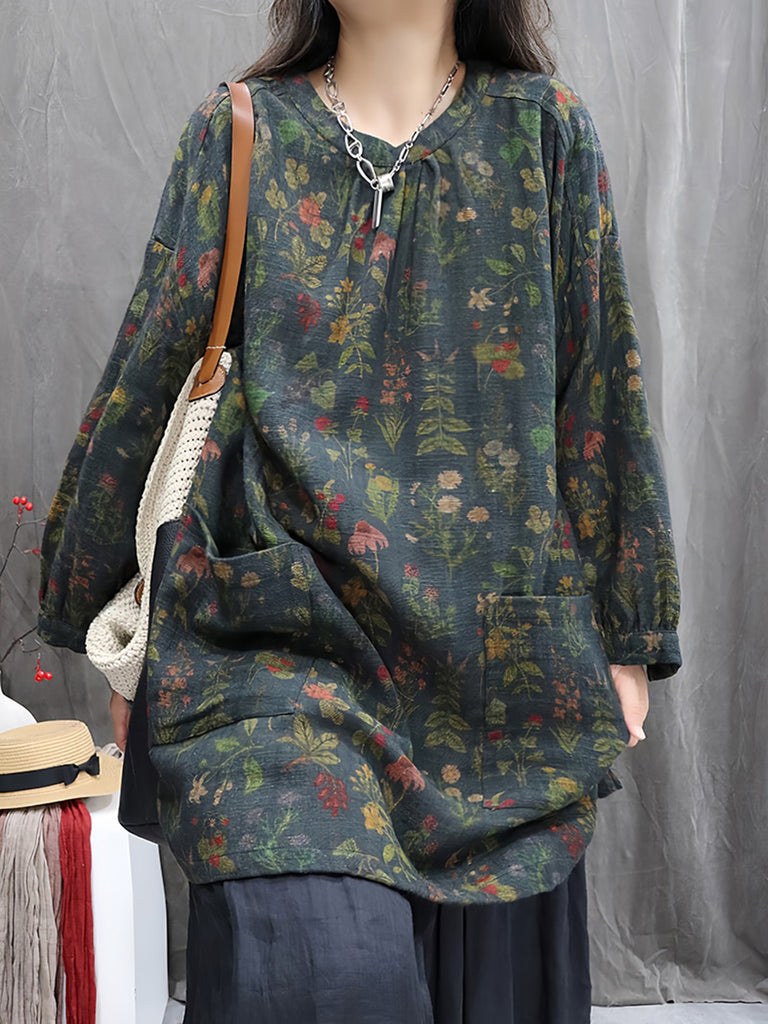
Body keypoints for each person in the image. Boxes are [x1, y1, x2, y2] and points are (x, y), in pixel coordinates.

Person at [38, 0, 682, 1020]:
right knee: (322, 974)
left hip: (497, 672)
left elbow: (599, 389)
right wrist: (109, 607)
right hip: (275, 651)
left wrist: (629, 631)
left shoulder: (545, 131)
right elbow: (151, 374)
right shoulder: (239, 132)